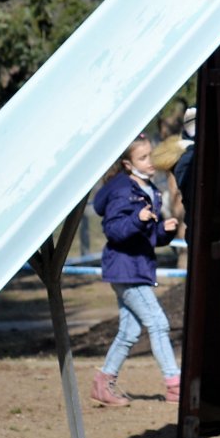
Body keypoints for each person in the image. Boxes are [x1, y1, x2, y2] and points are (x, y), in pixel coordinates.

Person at [90, 136, 181, 409]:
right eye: (143, 158)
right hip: (125, 269)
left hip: (137, 267)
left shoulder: (149, 189)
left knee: (129, 331)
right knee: (158, 323)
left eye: (151, 155)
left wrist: (164, 231)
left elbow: (147, 236)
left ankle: (102, 383)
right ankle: (175, 385)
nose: (150, 161)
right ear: (128, 164)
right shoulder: (123, 190)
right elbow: (114, 231)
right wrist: (136, 219)